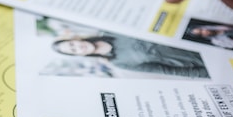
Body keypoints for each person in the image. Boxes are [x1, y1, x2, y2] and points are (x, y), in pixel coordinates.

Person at [52, 34, 210, 78]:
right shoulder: (118, 63)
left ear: (76, 38)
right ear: (79, 55)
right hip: (202, 62)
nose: (77, 47)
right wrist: (207, 73)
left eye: (72, 44)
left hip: (203, 39)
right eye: (73, 50)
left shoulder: (112, 30)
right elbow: (167, 71)